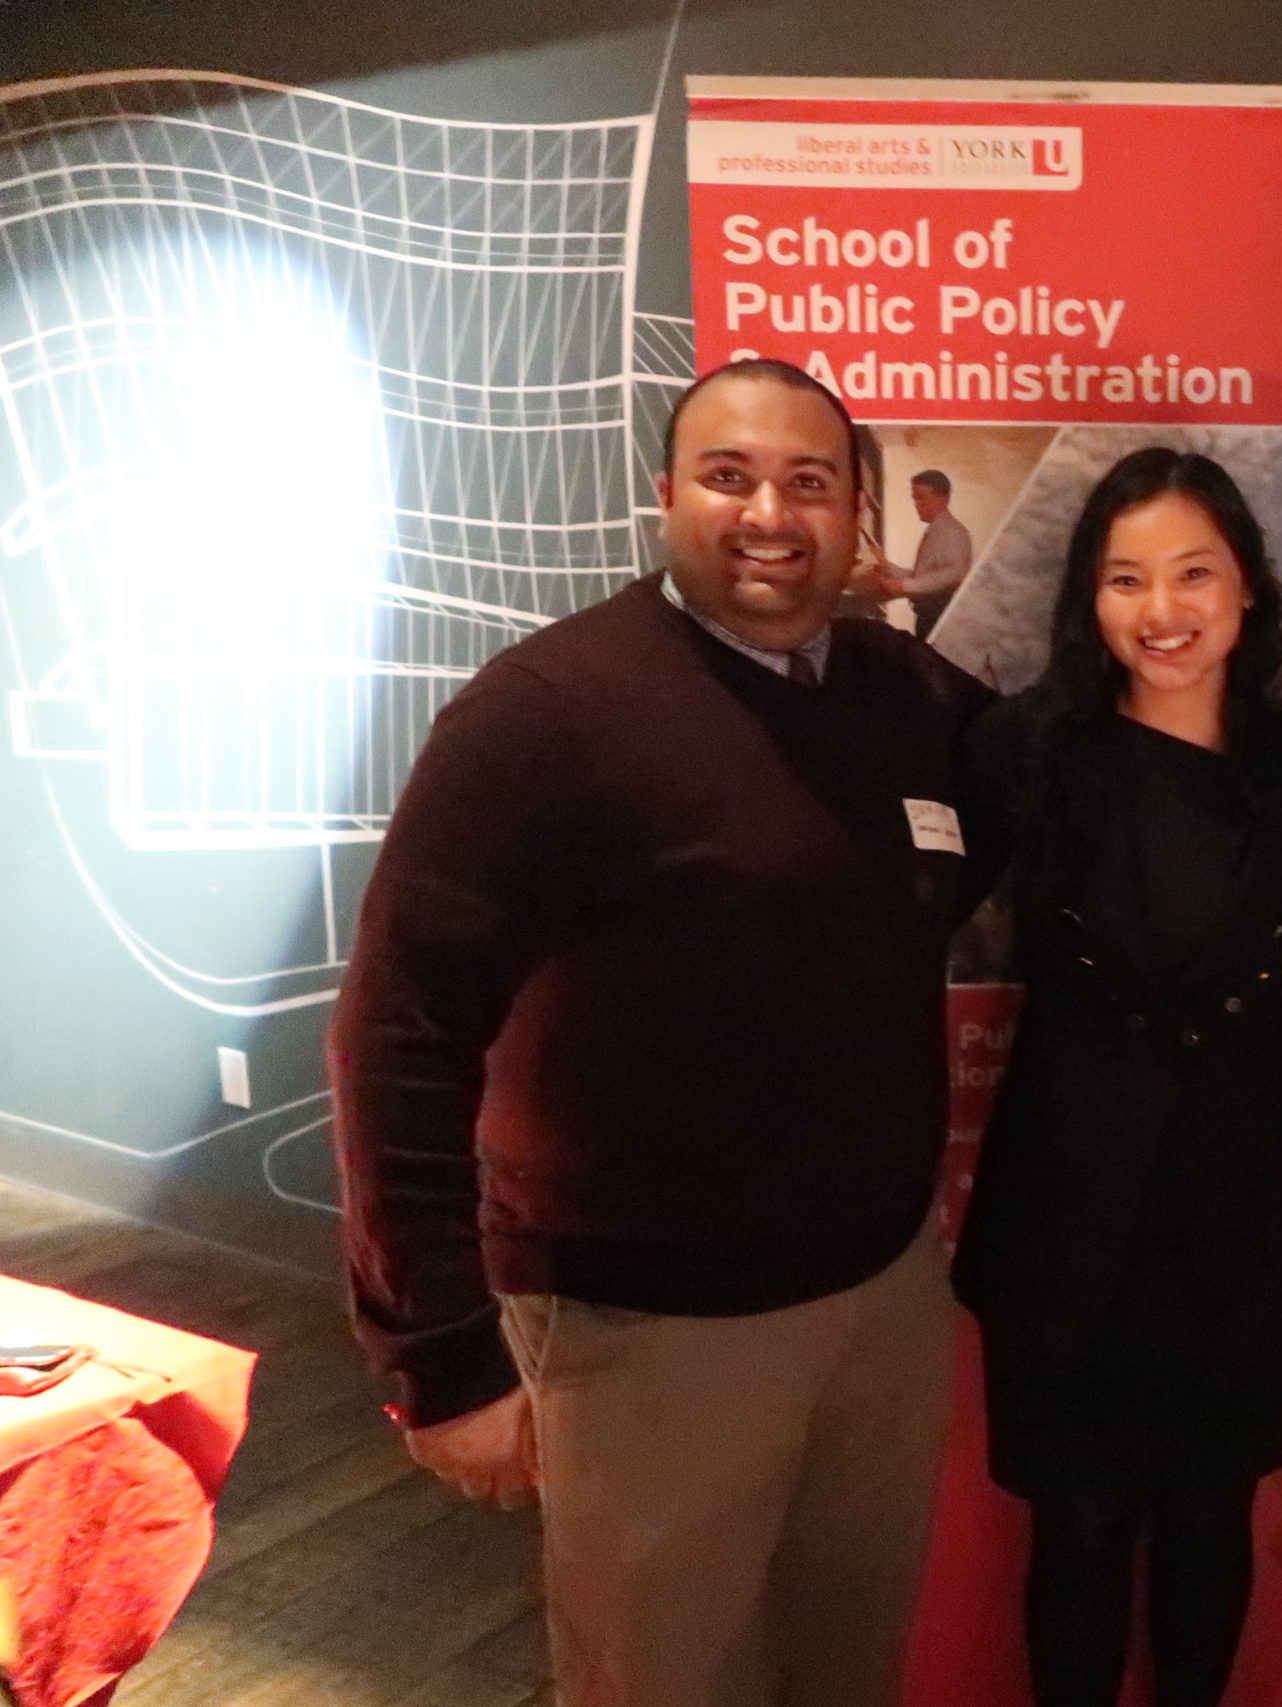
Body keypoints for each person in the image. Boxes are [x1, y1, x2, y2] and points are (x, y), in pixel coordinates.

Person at [329, 358, 993, 1707]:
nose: (770, 515)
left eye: (809, 482)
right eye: (729, 476)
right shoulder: (547, 714)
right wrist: (439, 1353)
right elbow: (397, 1030)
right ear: (667, 494)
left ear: (856, 512)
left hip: (879, 1300)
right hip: (648, 1331)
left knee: (849, 1673)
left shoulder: (906, 698)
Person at [953, 448, 1282, 1707]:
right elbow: (893, 915)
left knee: (1211, 1513)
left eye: (1192, 574)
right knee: (1079, 1523)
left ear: (1246, 588)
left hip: (1243, 1213)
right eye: (1125, 579)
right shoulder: (1021, 752)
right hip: (1069, 1214)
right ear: (1088, 597)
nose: (1160, 611)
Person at [880, 467, 972, 637]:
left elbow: (954, 574)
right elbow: (927, 575)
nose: (916, 505)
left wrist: (904, 586)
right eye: (915, 499)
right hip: (929, 614)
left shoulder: (952, 532)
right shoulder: (936, 530)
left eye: (921, 498)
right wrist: (889, 569)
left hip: (940, 615)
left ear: (943, 498)